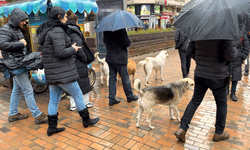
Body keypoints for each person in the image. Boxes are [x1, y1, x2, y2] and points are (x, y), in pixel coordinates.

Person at [36, 6, 99, 136]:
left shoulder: (47, 30)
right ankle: (86, 120)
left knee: (54, 100)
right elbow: (60, 52)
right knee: (78, 95)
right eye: (64, 16)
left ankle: (52, 127)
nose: (66, 18)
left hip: (54, 73)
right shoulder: (57, 30)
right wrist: (73, 49)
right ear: (59, 17)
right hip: (63, 72)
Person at [175, 40, 238, 142]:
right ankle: (219, 133)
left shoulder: (200, 30)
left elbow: (189, 51)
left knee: (195, 101)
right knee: (221, 104)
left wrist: (201, 62)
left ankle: (182, 128)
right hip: (219, 76)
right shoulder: (225, 34)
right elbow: (232, 56)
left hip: (201, 74)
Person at [0, 8, 48, 124]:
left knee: (17, 90)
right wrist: (20, 43)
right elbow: (2, 44)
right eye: (23, 20)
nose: (25, 22)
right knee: (28, 90)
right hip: (15, 64)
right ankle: (37, 115)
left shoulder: (16, 28)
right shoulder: (5, 29)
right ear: (17, 19)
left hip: (19, 62)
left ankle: (13, 114)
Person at [66, 10, 93, 110]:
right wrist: (85, 58)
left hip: (69, 60)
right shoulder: (75, 31)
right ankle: (86, 102)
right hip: (78, 61)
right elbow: (79, 49)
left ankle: (73, 104)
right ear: (75, 21)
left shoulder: (64, 30)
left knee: (72, 82)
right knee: (83, 80)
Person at [103, 29, 138, 106]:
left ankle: (111, 99)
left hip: (110, 58)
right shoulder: (121, 30)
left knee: (112, 78)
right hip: (120, 59)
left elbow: (104, 42)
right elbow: (126, 43)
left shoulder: (106, 30)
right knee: (125, 78)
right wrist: (129, 41)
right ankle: (130, 96)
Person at [228, 35, 249, 101]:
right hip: (227, 58)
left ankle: (233, 92)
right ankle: (226, 89)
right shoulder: (227, 30)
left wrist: (242, 55)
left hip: (237, 59)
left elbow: (246, 46)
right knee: (226, 75)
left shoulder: (242, 33)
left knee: (235, 77)